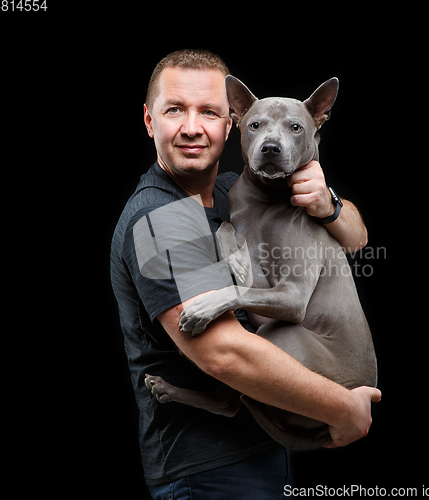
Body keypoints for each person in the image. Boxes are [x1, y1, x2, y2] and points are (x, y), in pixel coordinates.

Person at [110, 49, 381, 500]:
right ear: (148, 120)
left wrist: (328, 203)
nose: (193, 127)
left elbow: (356, 240)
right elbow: (225, 354)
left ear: (227, 122)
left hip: (260, 443)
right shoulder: (163, 219)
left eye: (209, 112)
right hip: (208, 470)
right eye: (175, 109)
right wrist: (344, 409)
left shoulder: (230, 193)